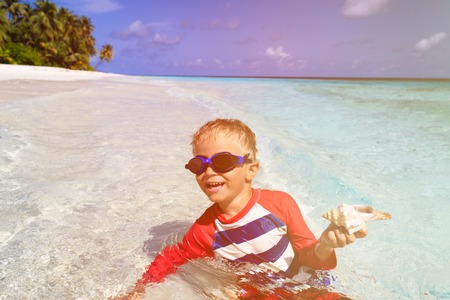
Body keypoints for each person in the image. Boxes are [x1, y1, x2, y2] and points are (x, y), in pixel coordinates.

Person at [116, 118, 367, 299]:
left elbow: (309, 256)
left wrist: (325, 245)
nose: (209, 171)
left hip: (311, 288)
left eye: (222, 161)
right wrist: (138, 289)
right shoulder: (205, 230)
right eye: (198, 165)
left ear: (251, 170)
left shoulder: (279, 204)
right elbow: (173, 256)